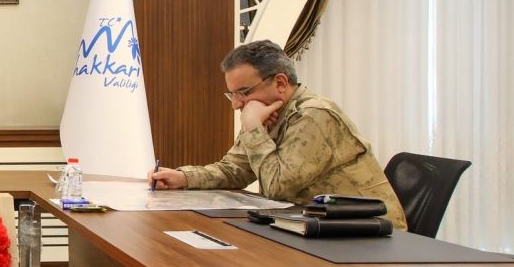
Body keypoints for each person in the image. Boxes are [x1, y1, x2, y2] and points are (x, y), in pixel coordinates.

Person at [147, 40, 407, 229]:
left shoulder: (314, 115)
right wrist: (184, 177)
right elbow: (235, 170)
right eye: (232, 94)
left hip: (371, 233)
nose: (236, 104)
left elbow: (277, 188)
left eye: (243, 92)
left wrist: (253, 129)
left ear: (280, 83)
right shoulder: (264, 114)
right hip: (318, 225)